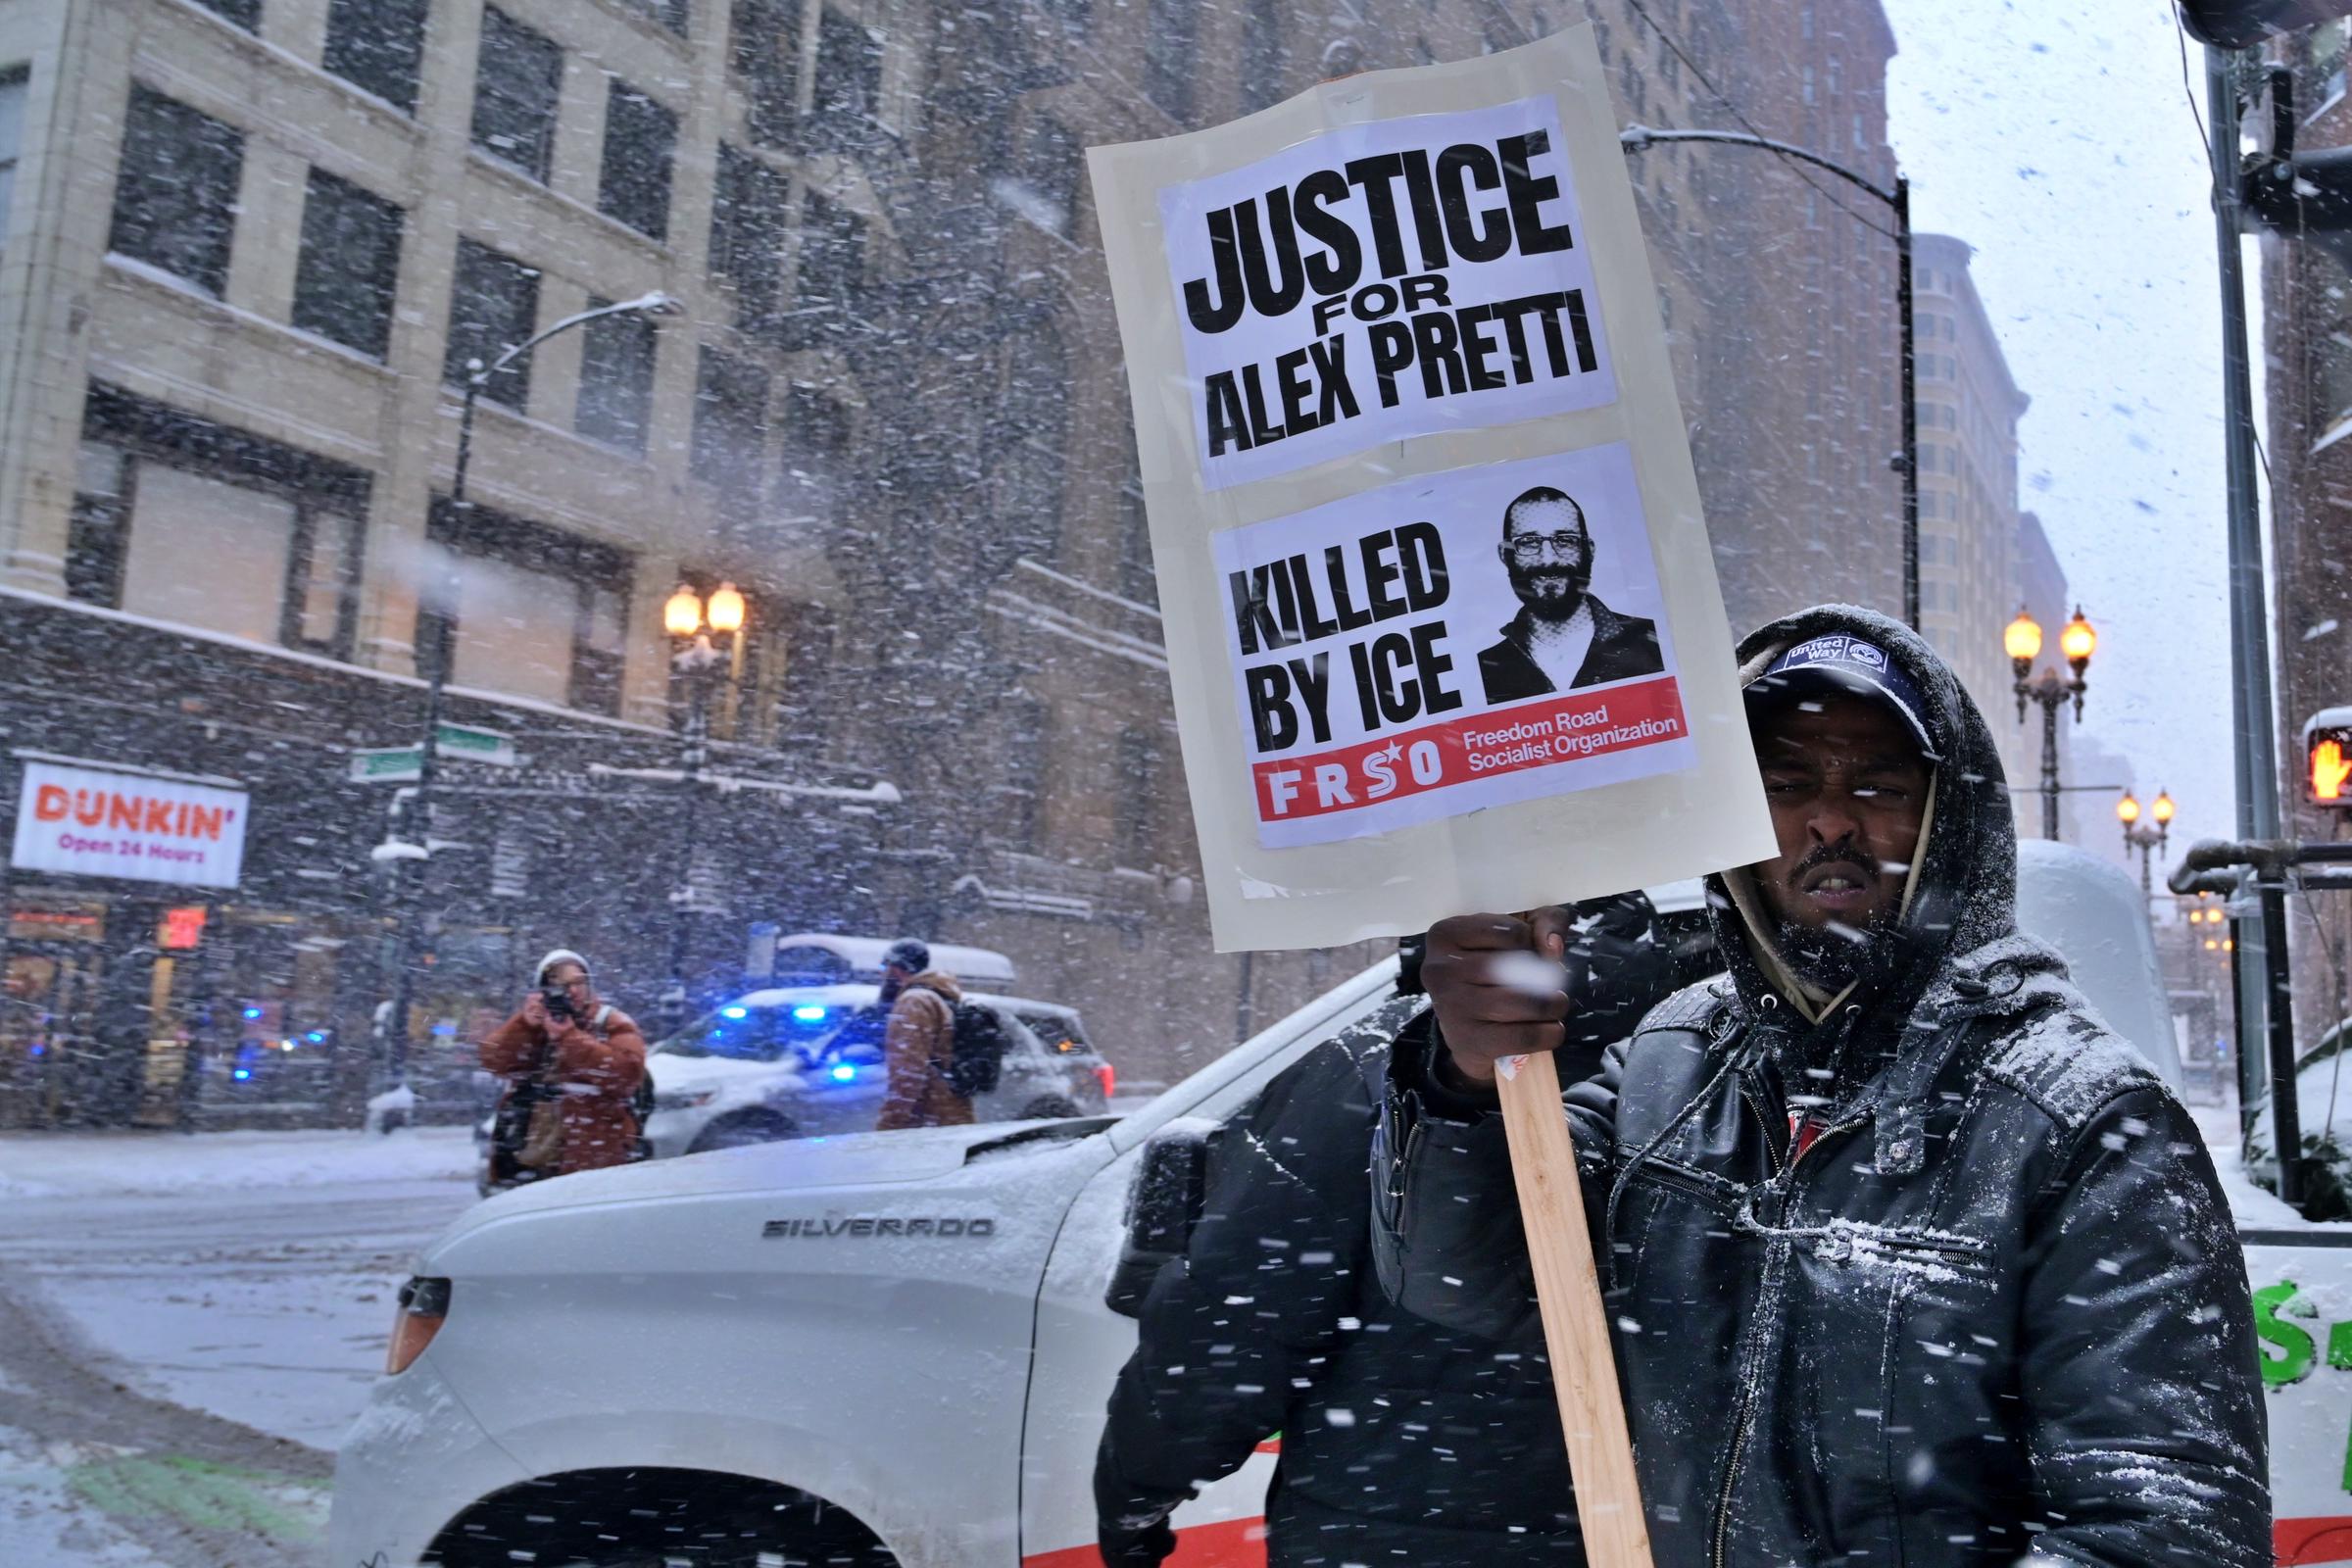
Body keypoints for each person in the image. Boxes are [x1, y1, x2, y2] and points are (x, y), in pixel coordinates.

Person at [1376, 606, 2269, 1565]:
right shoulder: (1672, 1060)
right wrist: (1467, 1075)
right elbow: (1460, 1277)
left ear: (1950, 818)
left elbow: (2168, 1536)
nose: (1830, 819)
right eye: (1785, 783)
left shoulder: (2085, 1125)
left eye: (1877, 785)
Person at [1095, 897, 1691, 1566]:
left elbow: (1225, 1339)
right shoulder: (1703, 1062)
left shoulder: (1374, 1070)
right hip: (1669, 1534)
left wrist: (1133, 1498)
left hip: (1396, 1531)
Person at [1476, 485, 1664, 703]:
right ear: (1504, 554)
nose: (1548, 559)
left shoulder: (1651, 641)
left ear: (1589, 550)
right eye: (1528, 542)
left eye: (1565, 540)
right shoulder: (1485, 669)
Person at [480, 949, 648, 1187]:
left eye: (579, 982)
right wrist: (524, 1025)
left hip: (594, 1153)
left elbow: (626, 1075)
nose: (573, 992)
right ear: (544, 991)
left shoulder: (610, 1022)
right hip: (535, 1154)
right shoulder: (535, 1024)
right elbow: (495, 1060)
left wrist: (569, 1038)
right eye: (562, 986)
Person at [874, 938, 971, 1131]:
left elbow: (908, 1072)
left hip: (926, 1119)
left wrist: (889, 1125)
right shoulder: (939, 995)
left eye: (886, 966)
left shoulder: (913, 1002)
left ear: (897, 968)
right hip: (950, 1110)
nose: (884, 973)